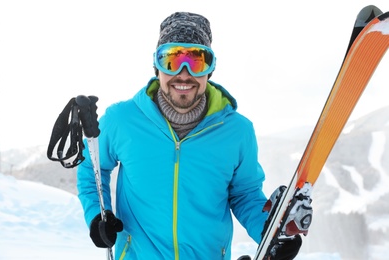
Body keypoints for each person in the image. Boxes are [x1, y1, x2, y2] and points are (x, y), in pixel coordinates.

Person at [77, 12, 305, 259]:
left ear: (211, 68)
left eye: (196, 61)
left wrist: (270, 235)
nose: (184, 74)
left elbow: (245, 194)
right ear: (156, 66)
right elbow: (91, 168)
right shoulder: (122, 120)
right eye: (172, 60)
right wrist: (96, 217)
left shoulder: (237, 132)